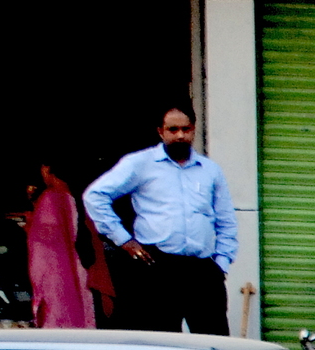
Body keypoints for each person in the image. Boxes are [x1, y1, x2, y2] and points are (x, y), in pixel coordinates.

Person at [83, 102, 238, 334]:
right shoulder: (140, 164)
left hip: (203, 270)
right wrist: (124, 240)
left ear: (194, 129)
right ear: (160, 131)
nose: (180, 135)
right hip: (158, 267)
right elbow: (95, 196)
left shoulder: (210, 170)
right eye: (172, 130)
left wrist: (221, 263)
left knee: (214, 343)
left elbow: (225, 219)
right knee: (161, 342)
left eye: (185, 129)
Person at [13, 160, 92, 329]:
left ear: (45, 169)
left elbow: (42, 249)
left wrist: (29, 227)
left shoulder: (51, 198)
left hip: (56, 279)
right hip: (77, 276)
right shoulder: (75, 197)